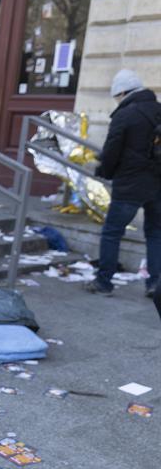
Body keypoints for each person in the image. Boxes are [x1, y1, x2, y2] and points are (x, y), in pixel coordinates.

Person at [87, 69, 161, 298]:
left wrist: (103, 172)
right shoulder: (159, 110)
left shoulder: (125, 114)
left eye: (117, 96)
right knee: (156, 233)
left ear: (123, 93)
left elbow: (112, 150)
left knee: (112, 233)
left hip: (129, 184)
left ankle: (104, 282)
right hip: (158, 184)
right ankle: (155, 284)